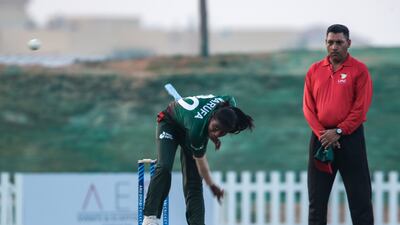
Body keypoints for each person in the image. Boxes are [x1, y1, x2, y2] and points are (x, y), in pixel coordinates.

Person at [142, 94, 254, 225]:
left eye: (222, 132)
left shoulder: (227, 105)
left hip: (191, 124)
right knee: (164, 166)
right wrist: (212, 185)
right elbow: (202, 166)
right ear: (212, 117)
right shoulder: (197, 132)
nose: (217, 134)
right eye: (216, 128)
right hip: (170, 123)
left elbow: (230, 98)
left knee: (193, 182)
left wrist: (212, 132)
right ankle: (150, 217)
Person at [303, 24, 374, 225]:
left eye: (339, 42)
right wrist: (323, 135)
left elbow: (360, 109)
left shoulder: (359, 70)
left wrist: (339, 131)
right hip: (320, 140)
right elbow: (308, 108)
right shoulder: (314, 70)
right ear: (325, 43)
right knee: (316, 202)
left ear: (348, 43)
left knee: (360, 199)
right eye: (330, 42)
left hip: (350, 139)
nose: (334, 46)